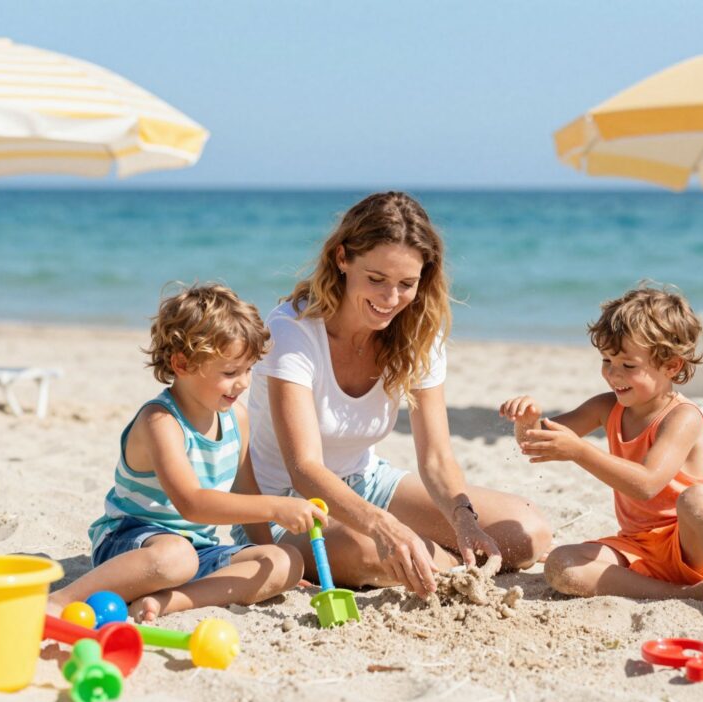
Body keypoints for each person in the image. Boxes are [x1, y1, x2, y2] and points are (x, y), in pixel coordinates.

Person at [233, 191, 551, 598]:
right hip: (284, 507)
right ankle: (427, 558)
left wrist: (464, 522)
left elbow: (435, 456)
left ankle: (426, 557)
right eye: (377, 280)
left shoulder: (418, 331)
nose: (390, 300)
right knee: (369, 552)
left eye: (406, 284)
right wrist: (383, 526)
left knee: (527, 533)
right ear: (342, 259)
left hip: (367, 482)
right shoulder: (293, 330)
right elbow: (304, 467)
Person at [499, 285, 703, 629]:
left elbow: (646, 484)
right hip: (639, 547)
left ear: (671, 365)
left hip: (693, 542)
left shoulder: (682, 417)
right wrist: (526, 420)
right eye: (607, 361)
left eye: (628, 365)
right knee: (561, 564)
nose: (614, 374)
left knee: (698, 499)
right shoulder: (606, 406)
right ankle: (676, 594)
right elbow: (534, 441)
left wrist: (580, 451)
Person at [49, 283, 325, 622]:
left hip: (196, 548)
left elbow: (246, 493)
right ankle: (62, 600)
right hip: (134, 546)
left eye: (248, 369)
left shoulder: (237, 418)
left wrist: (266, 547)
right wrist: (277, 506)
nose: (243, 383)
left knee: (283, 560)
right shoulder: (160, 421)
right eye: (230, 372)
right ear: (182, 364)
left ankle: (168, 602)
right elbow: (191, 502)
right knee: (176, 558)